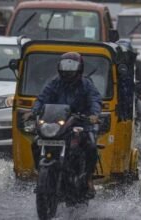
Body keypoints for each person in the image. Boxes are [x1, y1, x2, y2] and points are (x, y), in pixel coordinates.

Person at [23, 52, 102, 198]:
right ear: (59, 67)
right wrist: (34, 111)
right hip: (58, 123)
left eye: (72, 66)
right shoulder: (54, 82)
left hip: (81, 123)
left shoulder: (86, 84)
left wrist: (94, 115)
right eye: (65, 66)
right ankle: (41, 174)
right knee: (36, 142)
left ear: (80, 68)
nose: (68, 70)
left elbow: (95, 100)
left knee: (91, 144)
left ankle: (88, 178)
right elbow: (42, 98)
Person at [116, 39, 141, 137]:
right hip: (115, 96)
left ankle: (140, 136)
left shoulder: (138, 65)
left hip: (133, 95)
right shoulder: (112, 63)